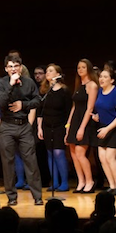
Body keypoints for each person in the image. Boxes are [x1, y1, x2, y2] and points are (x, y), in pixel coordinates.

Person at [0, 54, 44, 205]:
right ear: (6, 69)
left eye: (16, 66)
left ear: (20, 68)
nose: (13, 69)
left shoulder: (29, 83)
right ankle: (12, 197)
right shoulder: (1, 83)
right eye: (10, 66)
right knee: (8, 163)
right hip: (7, 125)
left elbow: (37, 101)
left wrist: (24, 105)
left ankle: (37, 196)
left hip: (23, 125)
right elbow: (1, 102)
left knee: (31, 161)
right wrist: (11, 84)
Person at [65, 58, 99, 194]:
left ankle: (90, 181)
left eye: (83, 67)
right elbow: (74, 107)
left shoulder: (92, 85)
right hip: (75, 120)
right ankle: (81, 181)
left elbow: (90, 108)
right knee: (73, 153)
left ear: (88, 69)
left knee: (80, 153)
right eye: (78, 68)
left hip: (85, 122)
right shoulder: (79, 85)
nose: (80, 70)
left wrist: (82, 127)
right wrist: (68, 125)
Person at [37, 64, 71, 192]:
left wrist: (68, 127)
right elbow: (40, 111)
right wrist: (39, 128)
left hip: (60, 125)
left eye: (51, 71)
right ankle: (54, 181)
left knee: (58, 152)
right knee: (50, 153)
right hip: (46, 125)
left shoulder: (64, 91)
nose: (47, 73)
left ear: (58, 74)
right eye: (47, 71)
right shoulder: (45, 91)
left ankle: (64, 182)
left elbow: (68, 111)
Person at [92, 67, 116, 195]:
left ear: (112, 80)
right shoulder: (100, 91)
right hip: (102, 126)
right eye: (101, 76)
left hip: (114, 128)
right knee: (102, 157)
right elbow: (103, 109)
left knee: (110, 157)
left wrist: (107, 129)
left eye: (105, 77)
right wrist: (97, 117)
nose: (102, 79)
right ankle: (111, 185)